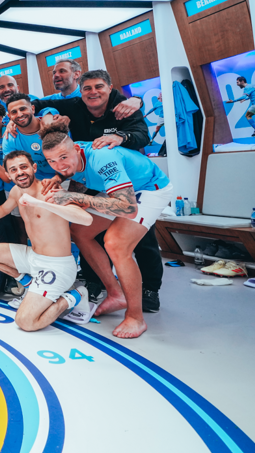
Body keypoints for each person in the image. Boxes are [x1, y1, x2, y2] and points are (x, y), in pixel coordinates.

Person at [27, 69, 161, 311]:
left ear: (110, 88)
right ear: (80, 89)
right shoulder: (74, 105)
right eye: (87, 88)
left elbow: (143, 136)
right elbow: (36, 104)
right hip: (92, 177)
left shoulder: (124, 107)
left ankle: (149, 289)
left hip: (136, 181)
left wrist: (122, 137)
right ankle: (98, 282)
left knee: (130, 239)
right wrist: (48, 116)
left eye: (99, 87)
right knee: (82, 229)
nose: (93, 92)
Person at [41, 121, 172, 338]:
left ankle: (136, 317)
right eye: (51, 161)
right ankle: (115, 293)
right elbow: (66, 169)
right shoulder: (70, 154)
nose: (59, 165)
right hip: (119, 191)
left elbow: (128, 207)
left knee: (115, 243)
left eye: (63, 158)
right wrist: (57, 177)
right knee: (80, 232)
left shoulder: (102, 158)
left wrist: (74, 197)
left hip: (148, 189)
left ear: (76, 149)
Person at [0, 151, 93, 332]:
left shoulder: (50, 190)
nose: (19, 172)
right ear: (9, 175)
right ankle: (28, 283)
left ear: (33, 167)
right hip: (33, 258)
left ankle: (77, 294)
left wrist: (41, 203)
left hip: (56, 265)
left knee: (25, 322)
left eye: (23, 167)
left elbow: (86, 219)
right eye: (13, 170)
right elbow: (4, 209)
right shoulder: (15, 191)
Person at [0, 94, 58, 183]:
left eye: (23, 109)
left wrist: (58, 179)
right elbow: (9, 170)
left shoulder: (52, 125)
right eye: (14, 112)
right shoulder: (10, 137)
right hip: (36, 181)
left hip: (65, 177)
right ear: (9, 116)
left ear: (32, 109)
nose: (19, 114)